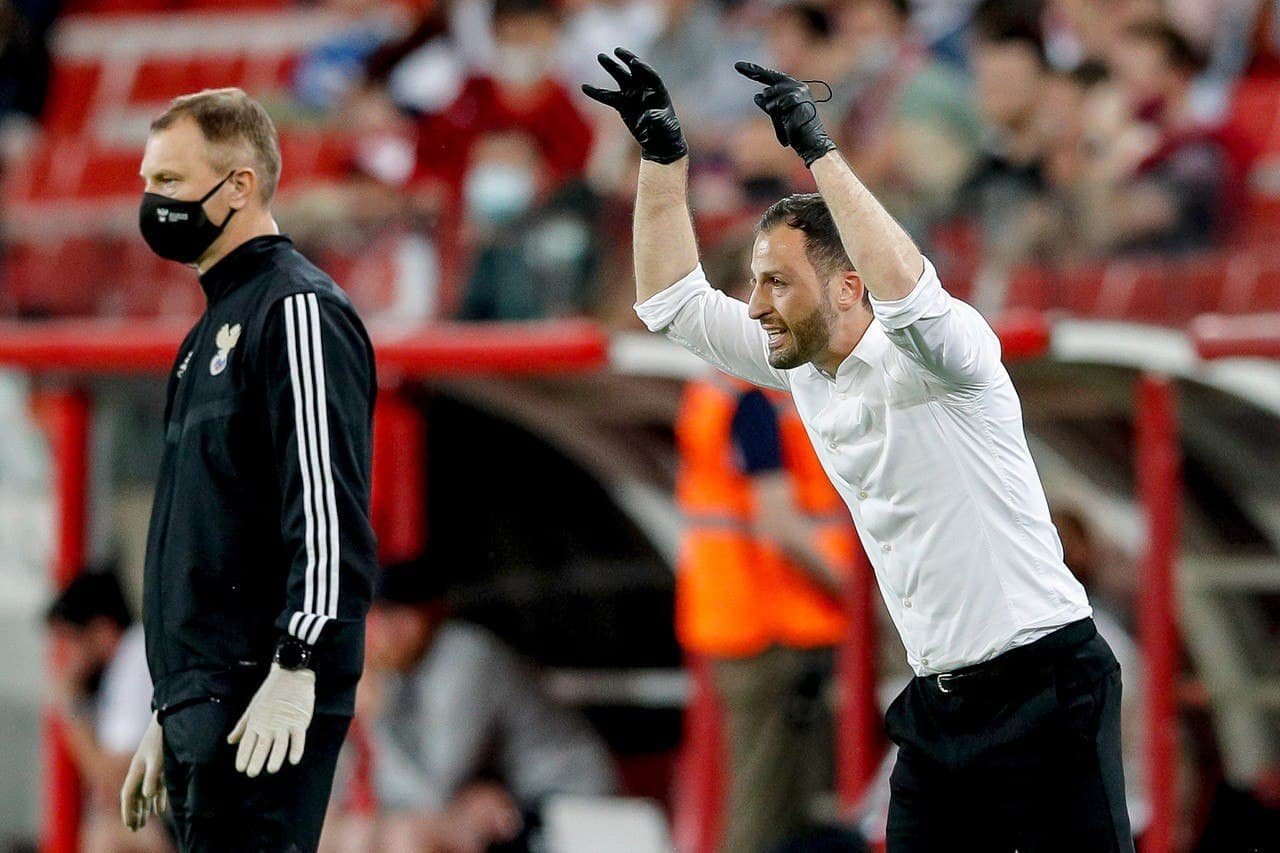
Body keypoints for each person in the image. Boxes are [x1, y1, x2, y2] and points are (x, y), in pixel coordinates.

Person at [583, 48, 1132, 851]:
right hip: (938, 700)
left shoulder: (946, 354)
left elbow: (908, 291)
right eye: (756, 282)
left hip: (1044, 685)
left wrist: (820, 152)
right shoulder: (802, 367)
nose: (756, 305)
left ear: (847, 287)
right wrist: (662, 160)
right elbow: (669, 301)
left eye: (777, 282)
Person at [119, 87, 378, 852]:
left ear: (239, 185)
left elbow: (326, 508)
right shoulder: (203, 335)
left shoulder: (296, 308)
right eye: (147, 181)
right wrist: (171, 703)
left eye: (170, 180)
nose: (151, 200)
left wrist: (298, 661)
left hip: (263, 688)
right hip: (208, 694)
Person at [673, 283, 857, 851]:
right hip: (769, 627)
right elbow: (779, 522)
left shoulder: (720, 390)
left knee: (779, 806)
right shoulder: (751, 397)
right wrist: (860, 592)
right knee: (763, 811)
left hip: (753, 623)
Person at [363, 558, 618, 853]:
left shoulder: (464, 659)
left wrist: (376, 717)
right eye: (378, 617)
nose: (384, 632)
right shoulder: (402, 670)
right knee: (362, 832)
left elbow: (431, 793)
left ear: (430, 614)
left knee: (410, 836)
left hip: (567, 796)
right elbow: (391, 794)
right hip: (507, 795)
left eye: (398, 616)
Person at [46, 569, 170, 853]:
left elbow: (112, 778)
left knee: (108, 835)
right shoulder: (122, 664)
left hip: (180, 817)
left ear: (102, 632)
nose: (65, 656)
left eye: (71, 640)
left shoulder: (134, 658)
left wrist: (71, 705)